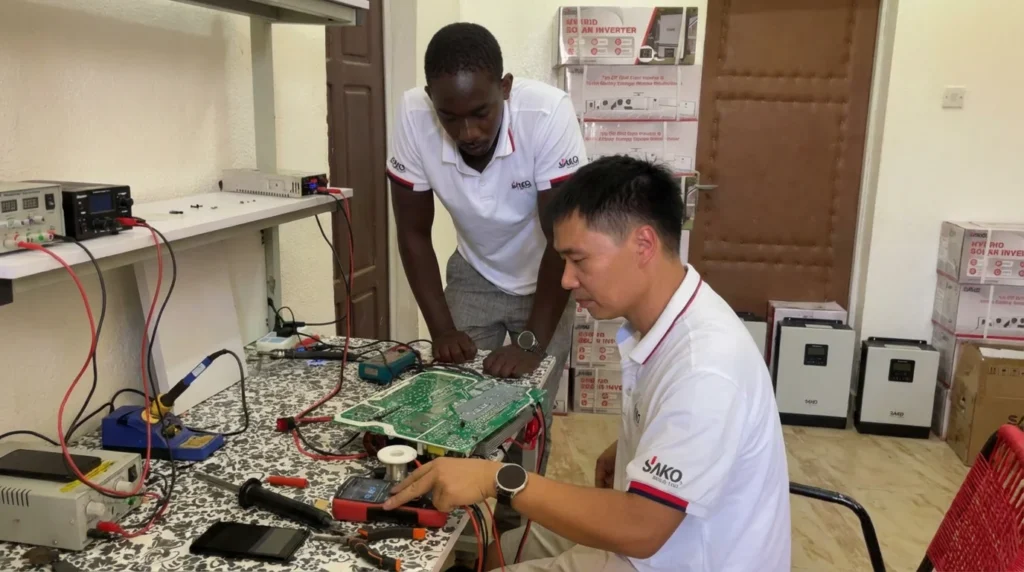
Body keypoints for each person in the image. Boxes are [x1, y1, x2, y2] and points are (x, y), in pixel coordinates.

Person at [383, 156, 792, 572]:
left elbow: (642, 530)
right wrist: (639, 445)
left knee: (503, 542)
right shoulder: (670, 318)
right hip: (661, 531)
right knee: (505, 547)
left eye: (579, 260)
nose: (566, 280)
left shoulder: (705, 366)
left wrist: (497, 478)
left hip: (673, 555)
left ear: (644, 245)